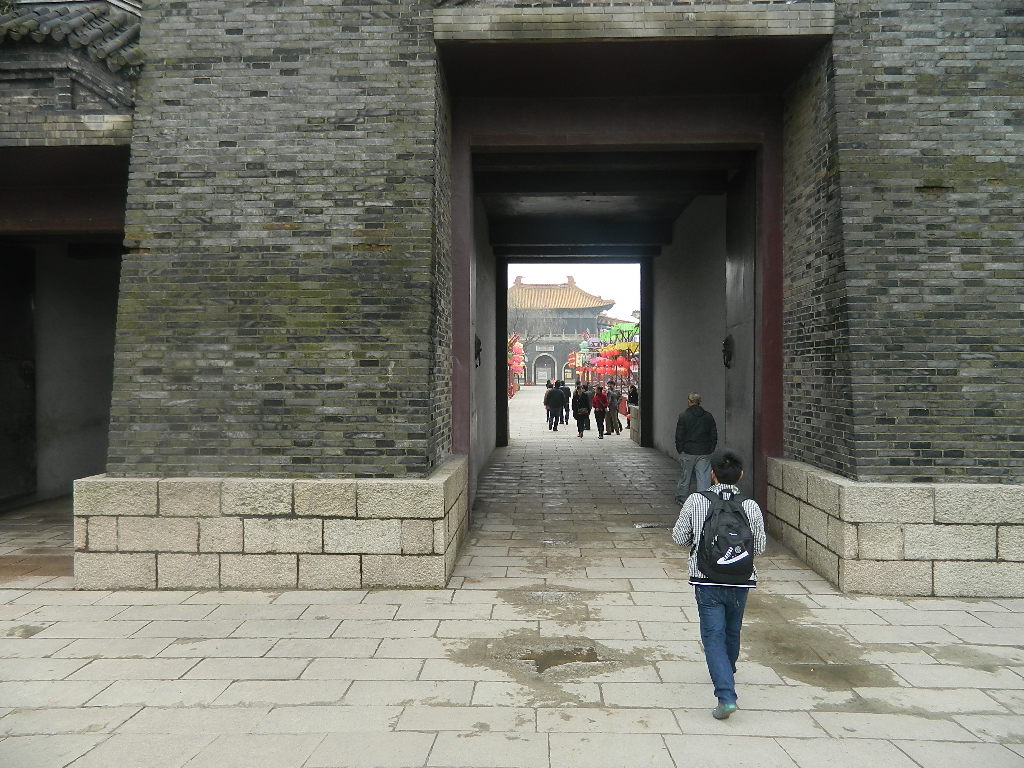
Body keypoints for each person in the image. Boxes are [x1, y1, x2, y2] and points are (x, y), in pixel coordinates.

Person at [671, 450, 766, 720]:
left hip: (706, 578)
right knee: (732, 631)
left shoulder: (696, 500)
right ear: (741, 475)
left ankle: (726, 696)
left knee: (713, 636)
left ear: (712, 474)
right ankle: (727, 670)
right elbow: (759, 546)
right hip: (740, 579)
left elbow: (679, 538)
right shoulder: (750, 506)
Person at [674, 392, 718, 503]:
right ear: (699, 402)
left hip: (688, 451)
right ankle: (703, 499)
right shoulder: (708, 416)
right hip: (704, 451)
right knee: (704, 477)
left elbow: (679, 435)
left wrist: (680, 449)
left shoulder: (683, 416)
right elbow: (713, 434)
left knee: (686, 476)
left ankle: (682, 497)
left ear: (689, 402)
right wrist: (711, 447)